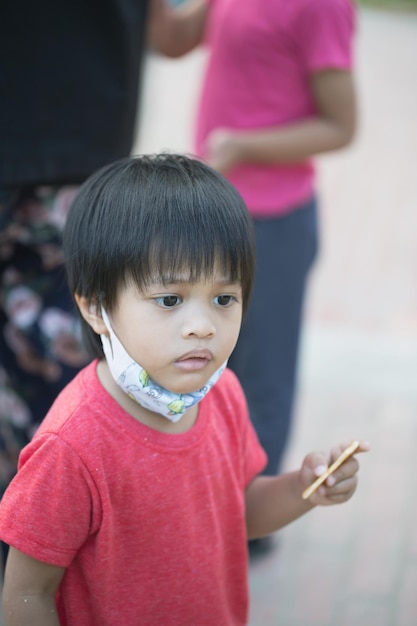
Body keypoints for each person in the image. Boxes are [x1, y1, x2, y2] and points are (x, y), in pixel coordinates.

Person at [0, 154, 368, 626]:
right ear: (96, 309)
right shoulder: (71, 448)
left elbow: (236, 515)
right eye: (169, 300)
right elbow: (28, 593)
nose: (201, 327)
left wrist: (303, 488)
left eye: (223, 298)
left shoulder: (223, 394)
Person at [0, 0, 204, 567]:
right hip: (80, 137)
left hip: (77, 152)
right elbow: (172, 33)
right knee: (71, 372)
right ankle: (60, 545)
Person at [150, 0, 357, 551]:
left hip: (273, 226)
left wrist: (245, 146)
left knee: (260, 379)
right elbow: (170, 41)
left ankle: (245, 526)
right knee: (202, 366)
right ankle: (203, 507)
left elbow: (342, 125)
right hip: (213, 211)